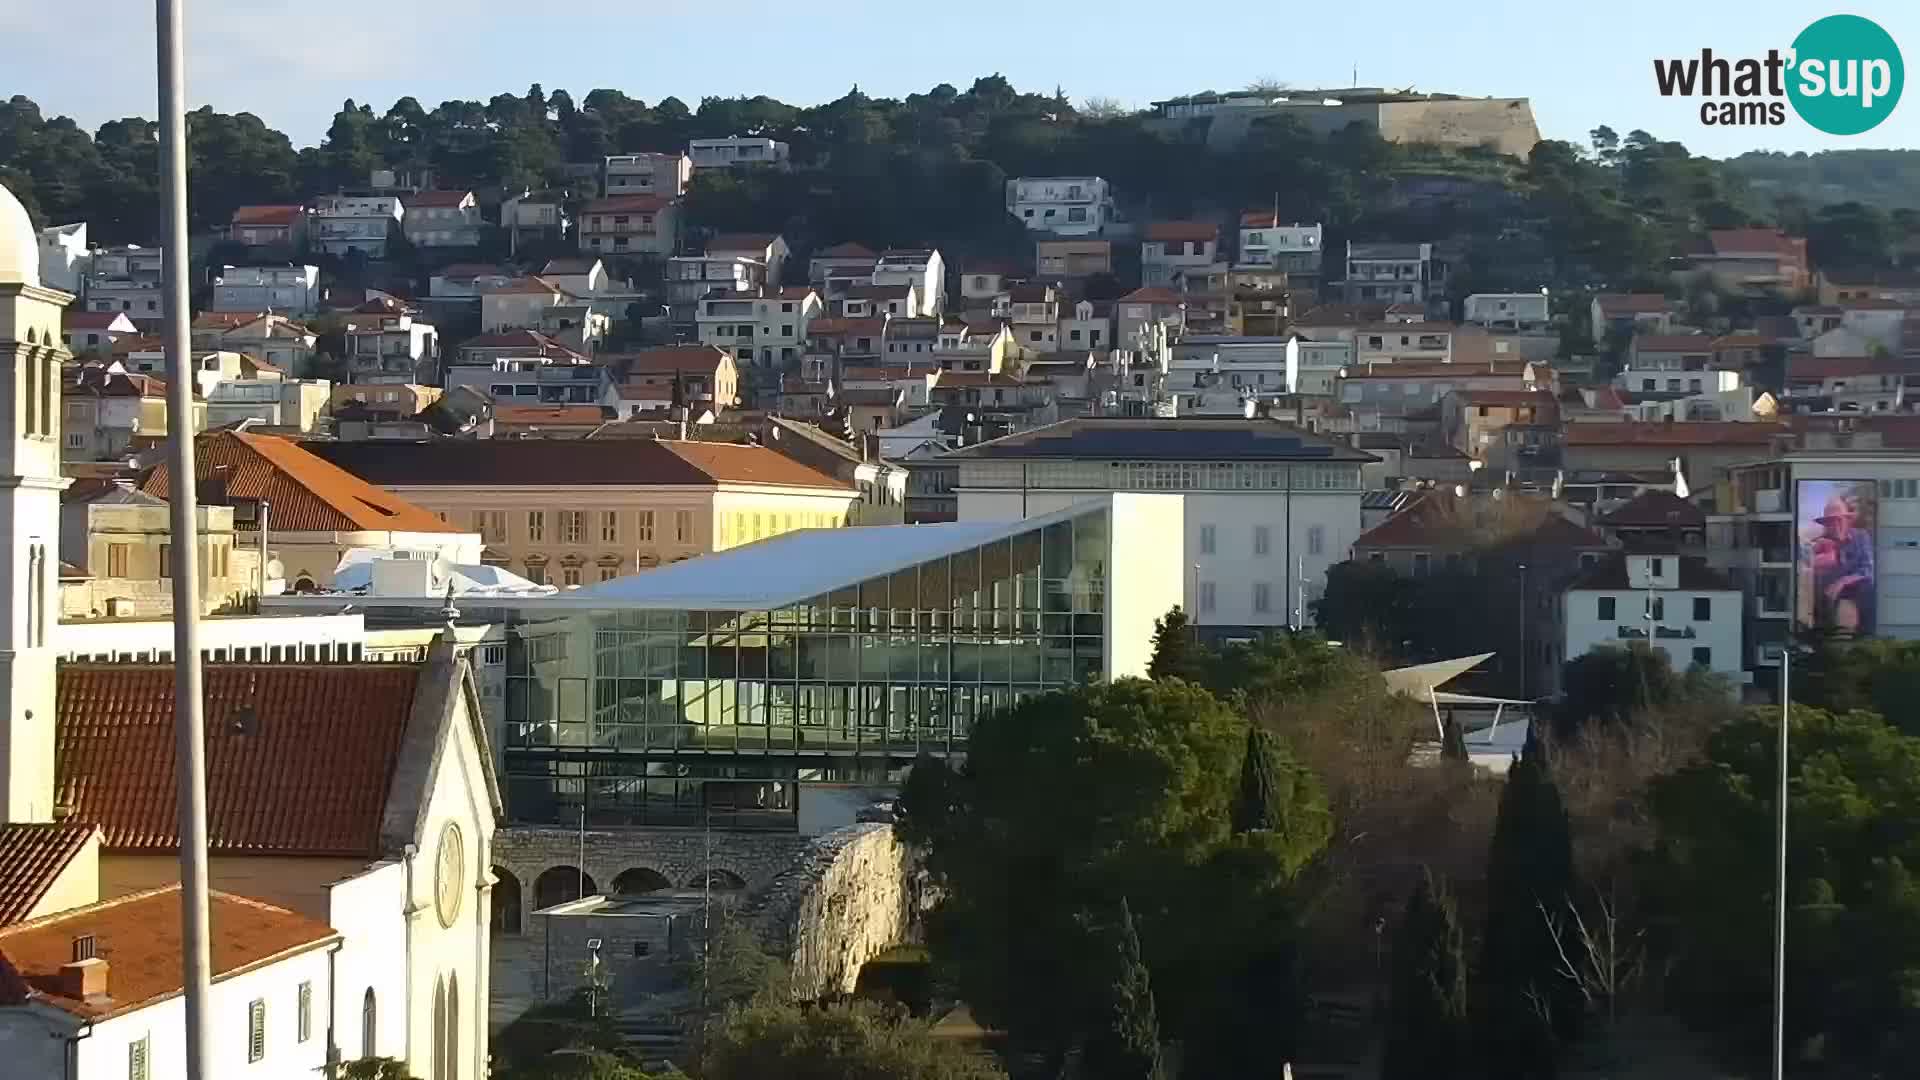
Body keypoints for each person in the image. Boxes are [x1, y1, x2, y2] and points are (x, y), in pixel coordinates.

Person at [1809, 492, 1875, 634]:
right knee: (1820, 592)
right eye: (1831, 522)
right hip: (1829, 588)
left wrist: (1843, 581)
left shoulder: (1861, 536)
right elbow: (1809, 564)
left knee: (1869, 587)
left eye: (1839, 520)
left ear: (1847, 521)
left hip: (1856, 585)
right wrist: (1819, 557)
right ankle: (1824, 634)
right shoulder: (1821, 542)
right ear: (1826, 525)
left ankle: (1866, 635)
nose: (1836, 525)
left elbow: (1868, 568)